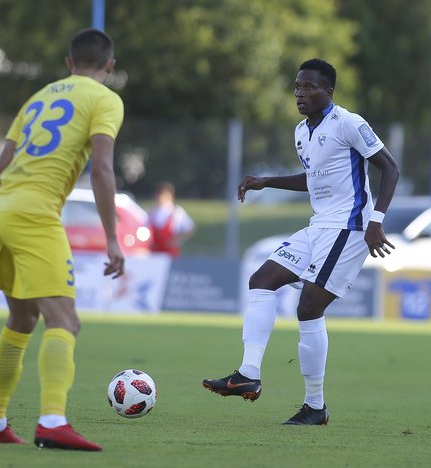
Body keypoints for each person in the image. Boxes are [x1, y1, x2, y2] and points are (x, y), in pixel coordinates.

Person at [202, 59, 400, 425]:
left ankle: (315, 406)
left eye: (309, 87)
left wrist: (376, 221)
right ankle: (248, 373)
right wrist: (266, 181)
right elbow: (314, 179)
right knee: (261, 280)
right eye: (297, 87)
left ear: (329, 91)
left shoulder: (350, 123)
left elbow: (390, 168)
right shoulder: (301, 132)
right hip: (318, 226)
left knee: (308, 307)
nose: (301, 94)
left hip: (349, 227)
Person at [0, 28, 125, 451]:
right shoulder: (105, 99)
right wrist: (113, 238)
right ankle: (52, 421)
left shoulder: (38, 98)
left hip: (1, 210)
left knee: (21, 322)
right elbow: (103, 169)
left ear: (69, 63)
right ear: (109, 66)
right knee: (65, 320)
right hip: (35, 215)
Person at [147, 181, 195, 256]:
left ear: (169, 195)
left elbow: (190, 228)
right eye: (158, 194)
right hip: (155, 252)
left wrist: (177, 240)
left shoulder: (176, 212)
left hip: (170, 253)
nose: (159, 197)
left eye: (162, 194)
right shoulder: (152, 212)